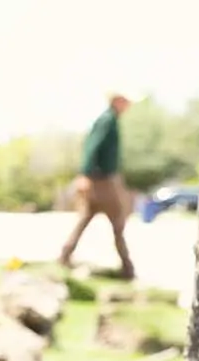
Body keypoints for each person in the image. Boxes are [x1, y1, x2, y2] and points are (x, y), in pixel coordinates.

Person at [60, 89, 139, 280]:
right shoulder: (107, 120)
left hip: (100, 180)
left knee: (85, 219)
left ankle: (64, 256)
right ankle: (127, 269)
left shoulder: (110, 120)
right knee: (118, 222)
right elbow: (92, 146)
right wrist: (85, 174)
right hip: (102, 181)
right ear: (118, 101)